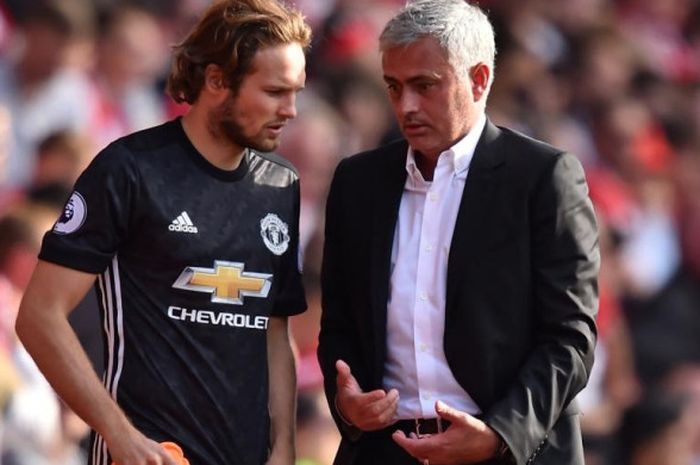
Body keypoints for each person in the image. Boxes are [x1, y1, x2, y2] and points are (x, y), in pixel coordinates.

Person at [15, 1, 311, 464]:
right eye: (274, 91)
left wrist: (286, 447)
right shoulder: (129, 170)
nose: (291, 110)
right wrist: (118, 432)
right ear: (216, 81)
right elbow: (38, 315)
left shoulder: (282, 184)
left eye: (296, 92)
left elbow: (274, 329)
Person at [317, 1, 600, 465]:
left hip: (510, 451)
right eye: (393, 87)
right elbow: (341, 326)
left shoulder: (543, 177)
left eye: (424, 86)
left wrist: (499, 433)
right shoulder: (357, 182)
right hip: (385, 452)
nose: (405, 106)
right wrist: (347, 402)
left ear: (479, 79)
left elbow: (570, 337)